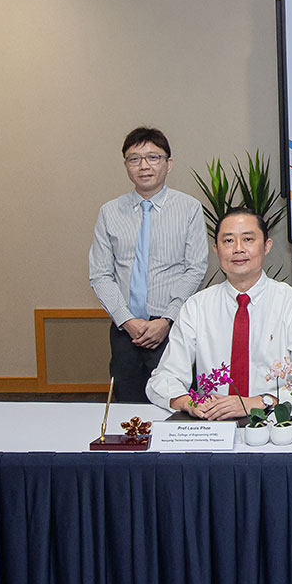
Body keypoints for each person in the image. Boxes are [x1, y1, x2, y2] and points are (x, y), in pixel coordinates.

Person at [147, 209, 292, 417]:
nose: (238, 249)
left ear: (266, 246)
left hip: (274, 420)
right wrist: (190, 403)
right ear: (216, 250)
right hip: (212, 421)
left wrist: (259, 402)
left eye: (248, 239)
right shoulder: (197, 306)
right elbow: (163, 378)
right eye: (228, 241)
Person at [89, 127, 208, 403]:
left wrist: (167, 320)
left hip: (172, 328)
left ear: (168, 164)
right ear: (126, 165)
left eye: (153, 157)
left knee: (176, 405)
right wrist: (126, 320)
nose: (144, 166)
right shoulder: (109, 212)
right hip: (125, 330)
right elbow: (100, 274)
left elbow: (195, 268)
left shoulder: (189, 208)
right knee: (127, 407)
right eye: (135, 159)